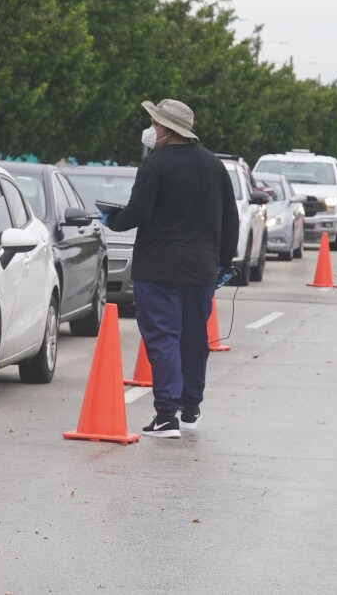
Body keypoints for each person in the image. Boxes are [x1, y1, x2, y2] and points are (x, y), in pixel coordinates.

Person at [100, 99, 238, 438]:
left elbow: (138, 212)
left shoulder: (155, 165)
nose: (151, 130)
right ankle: (190, 408)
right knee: (194, 339)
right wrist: (225, 261)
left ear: (166, 129)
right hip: (202, 269)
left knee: (163, 339)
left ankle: (165, 416)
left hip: (159, 269)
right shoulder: (214, 166)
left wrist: (112, 219)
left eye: (155, 124)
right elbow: (230, 217)